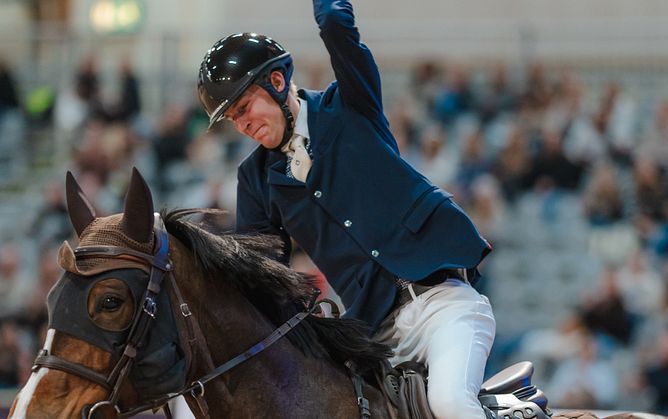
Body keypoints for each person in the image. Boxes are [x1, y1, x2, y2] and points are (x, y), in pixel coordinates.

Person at [196, 1, 496, 418]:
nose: (242, 124)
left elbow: (337, 23)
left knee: (450, 403)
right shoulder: (254, 179)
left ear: (278, 81)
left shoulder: (350, 105)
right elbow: (261, 277)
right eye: (232, 118)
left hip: (442, 306)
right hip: (374, 336)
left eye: (244, 107)